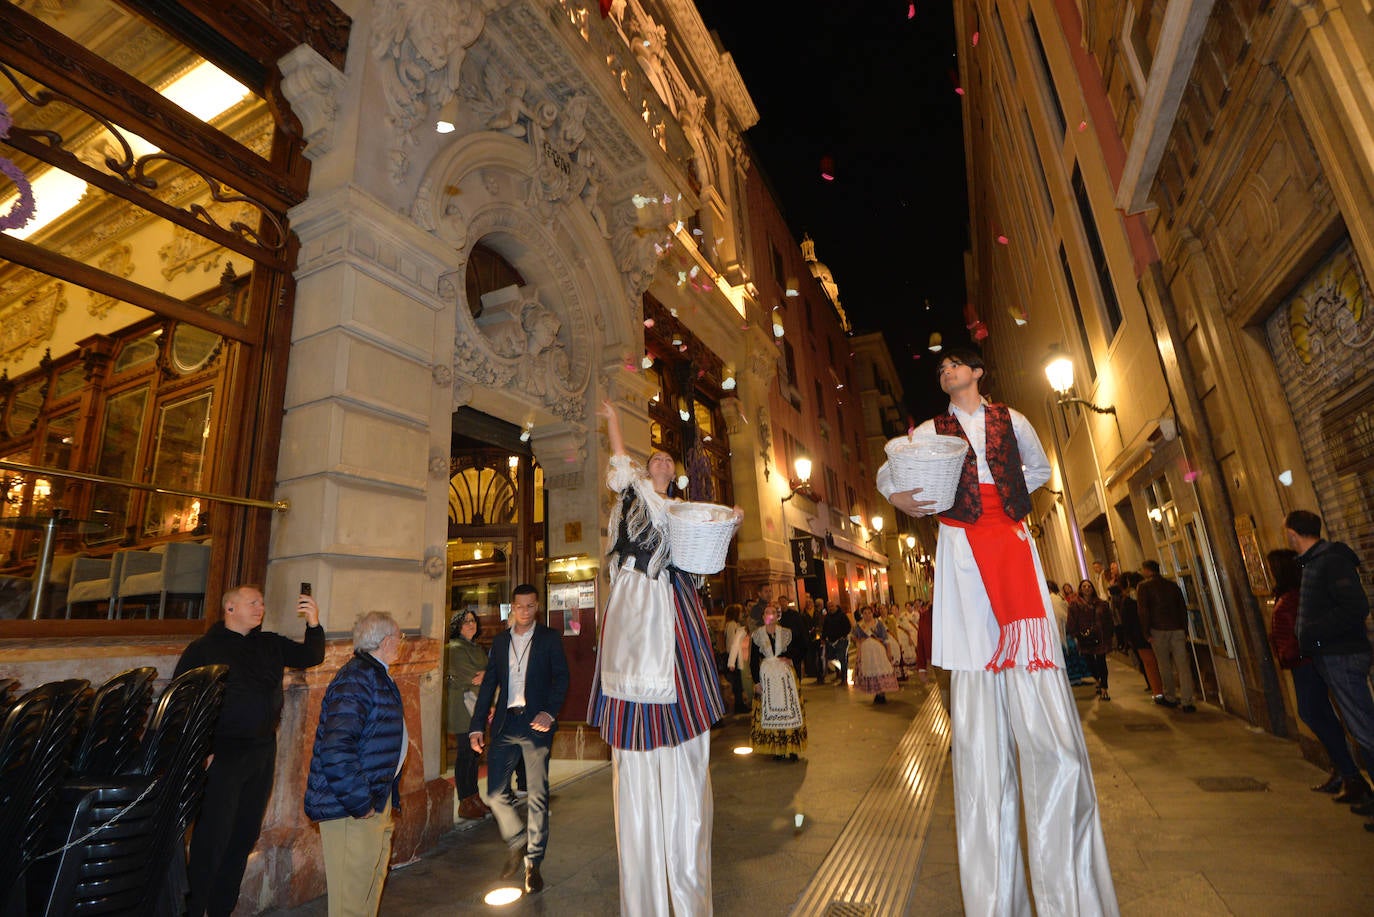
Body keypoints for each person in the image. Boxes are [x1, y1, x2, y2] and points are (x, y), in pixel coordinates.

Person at [880, 348, 1116, 915]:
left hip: (1010, 542)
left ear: (978, 372)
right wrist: (910, 499)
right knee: (979, 738)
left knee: (1054, 745)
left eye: (955, 365)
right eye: (940, 370)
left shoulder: (1012, 420)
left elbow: (1035, 468)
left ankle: (1072, 898)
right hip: (961, 547)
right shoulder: (930, 431)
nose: (946, 373)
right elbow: (892, 476)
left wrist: (1009, 501)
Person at [588, 401, 737, 916]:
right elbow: (620, 458)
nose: (662, 464)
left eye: (669, 462)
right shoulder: (634, 493)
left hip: (672, 603)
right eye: (656, 459)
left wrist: (732, 520)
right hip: (633, 604)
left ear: (676, 475)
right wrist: (611, 419)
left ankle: (684, 882)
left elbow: (703, 550)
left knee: (686, 735)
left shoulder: (682, 513)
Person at [175, 584, 325, 917]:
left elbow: (312, 656)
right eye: (253, 602)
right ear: (230, 608)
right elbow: (183, 703)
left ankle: (221, 909)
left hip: (261, 751)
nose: (260, 608)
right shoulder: (203, 649)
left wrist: (313, 624)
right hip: (222, 753)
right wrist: (201, 750)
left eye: (262, 602)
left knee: (244, 835)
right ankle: (193, 909)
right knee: (212, 838)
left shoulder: (270, 643)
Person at [304, 612, 406, 917]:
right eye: (400, 638)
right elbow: (336, 749)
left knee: (367, 891)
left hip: (374, 800)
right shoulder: (356, 678)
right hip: (352, 809)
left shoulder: (375, 675)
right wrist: (361, 803)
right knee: (350, 902)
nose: (401, 643)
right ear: (387, 641)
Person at [469, 584, 568, 894]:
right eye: (519, 606)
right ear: (511, 607)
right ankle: (517, 839)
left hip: (536, 724)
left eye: (529, 606)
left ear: (536, 606)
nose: (524, 611)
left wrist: (550, 713)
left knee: (537, 795)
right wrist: (475, 726)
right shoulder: (499, 642)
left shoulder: (549, 639)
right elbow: (488, 687)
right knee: (496, 793)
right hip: (505, 725)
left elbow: (561, 678)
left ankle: (533, 863)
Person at [1284, 509, 1374, 818]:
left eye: (1288, 534)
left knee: (1364, 729)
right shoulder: (1314, 562)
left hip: (1342, 656)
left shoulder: (1331, 560)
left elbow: (1356, 606)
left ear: (1294, 533)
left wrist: (1314, 634)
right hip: (1331, 656)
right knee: (1358, 726)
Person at [1266, 548, 1374, 801]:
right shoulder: (1293, 595)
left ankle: (1350, 774)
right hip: (1304, 662)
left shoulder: (1295, 597)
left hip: (1307, 663)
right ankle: (1345, 772)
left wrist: (1299, 651)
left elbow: (1303, 632)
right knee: (1321, 714)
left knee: (1317, 713)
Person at [445, 609, 491, 820]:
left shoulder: (476, 648)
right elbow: (469, 677)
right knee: (466, 755)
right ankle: (465, 801)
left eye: (473, 621)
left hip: (477, 706)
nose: (470, 625)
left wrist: (488, 675)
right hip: (463, 708)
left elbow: (490, 673)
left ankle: (474, 797)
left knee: (475, 755)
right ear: (457, 626)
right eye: (465, 622)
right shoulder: (454, 648)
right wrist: (486, 674)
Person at [1137, 559, 1197, 712]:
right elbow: (1182, 608)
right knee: (1183, 665)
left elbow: (1143, 611)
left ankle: (1170, 696)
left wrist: (1145, 632)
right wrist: (1184, 628)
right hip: (1177, 628)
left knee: (1164, 665)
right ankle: (1187, 701)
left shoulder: (1144, 587)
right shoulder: (1172, 585)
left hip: (1158, 630)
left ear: (1147, 570)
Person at [749, 607, 807, 761]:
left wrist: (791, 658)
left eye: (773, 613)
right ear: (763, 616)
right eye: (767, 613)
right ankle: (777, 749)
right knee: (771, 710)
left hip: (785, 676)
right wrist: (756, 682)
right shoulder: (757, 635)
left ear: (777, 616)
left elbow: (802, 646)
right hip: (767, 676)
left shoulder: (786, 632)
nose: (770, 616)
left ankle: (792, 748)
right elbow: (753, 660)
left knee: (790, 711)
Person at [1118, 572, 1163, 696]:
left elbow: (1126, 621)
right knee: (1158, 663)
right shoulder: (1146, 596)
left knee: (1149, 664)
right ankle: (1161, 690)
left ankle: (1158, 692)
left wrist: (1129, 639)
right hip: (1154, 632)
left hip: (1140, 636)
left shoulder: (1128, 600)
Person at [1069, 579, 1113, 701]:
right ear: (1080, 589)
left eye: (1089, 586)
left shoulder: (1101, 604)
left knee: (1101, 662)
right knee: (1090, 663)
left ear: (1092, 588)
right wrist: (1075, 635)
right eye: (1084, 586)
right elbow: (1071, 622)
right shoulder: (1074, 604)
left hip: (1100, 637)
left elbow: (1108, 620)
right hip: (1084, 638)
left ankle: (1104, 688)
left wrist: (1109, 635)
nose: (1087, 588)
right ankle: (1098, 680)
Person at [851, 606, 898, 704]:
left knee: (880, 670)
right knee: (871, 671)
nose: (867, 615)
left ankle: (882, 693)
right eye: (865, 613)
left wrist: (888, 651)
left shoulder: (879, 624)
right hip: (866, 652)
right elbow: (856, 640)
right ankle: (877, 692)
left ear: (872, 613)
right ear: (862, 614)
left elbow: (885, 639)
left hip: (878, 650)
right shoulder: (859, 626)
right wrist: (858, 652)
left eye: (869, 613)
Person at [722, 603, 751, 715]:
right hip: (734, 656)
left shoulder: (733, 624)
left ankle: (741, 704)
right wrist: (732, 660)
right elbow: (732, 643)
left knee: (738, 684)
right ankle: (739, 705)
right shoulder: (732, 625)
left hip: (735, 656)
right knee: (737, 684)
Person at [821, 601, 851, 686]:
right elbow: (825, 628)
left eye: (832, 606)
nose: (831, 608)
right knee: (832, 658)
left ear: (836, 606)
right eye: (829, 606)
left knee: (842, 659)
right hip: (831, 641)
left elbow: (848, 626)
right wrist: (823, 638)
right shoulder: (827, 617)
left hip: (841, 640)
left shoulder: (842, 615)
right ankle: (838, 673)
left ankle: (844, 679)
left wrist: (843, 635)